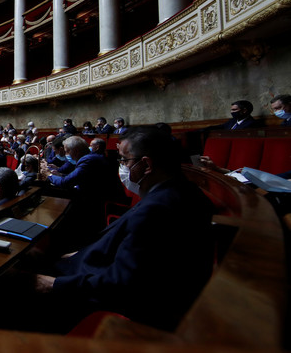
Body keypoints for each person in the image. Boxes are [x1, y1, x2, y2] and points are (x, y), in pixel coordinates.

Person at [32, 126, 214, 331]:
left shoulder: (159, 209)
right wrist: (79, 254)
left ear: (146, 164)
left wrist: (53, 284)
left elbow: (122, 283)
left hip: (90, 291)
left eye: (124, 160)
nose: (122, 166)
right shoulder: (180, 191)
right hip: (90, 264)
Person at [41, 136, 127, 250]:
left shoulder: (88, 160)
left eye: (67, 151)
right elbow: (72, 177)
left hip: (98, 204)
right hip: (96, 197)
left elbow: (66, 182)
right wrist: (57, 175)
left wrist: (49, 175)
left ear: (75, 151)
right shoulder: (90, 157)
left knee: (64, 213)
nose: (66, 155)